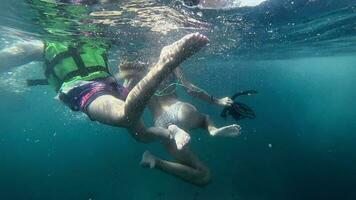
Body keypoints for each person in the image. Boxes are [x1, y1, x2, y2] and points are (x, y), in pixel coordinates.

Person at [117, 59, 241, 185]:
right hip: (180, 110)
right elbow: (190, 89)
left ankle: (155, 159)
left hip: (160, 124)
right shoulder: (169, 61)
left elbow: (123, 100)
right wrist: (216, 101)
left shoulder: (138, 72)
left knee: (204, 176)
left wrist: (127, 78)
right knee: (204, 119)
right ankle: (213, 130)